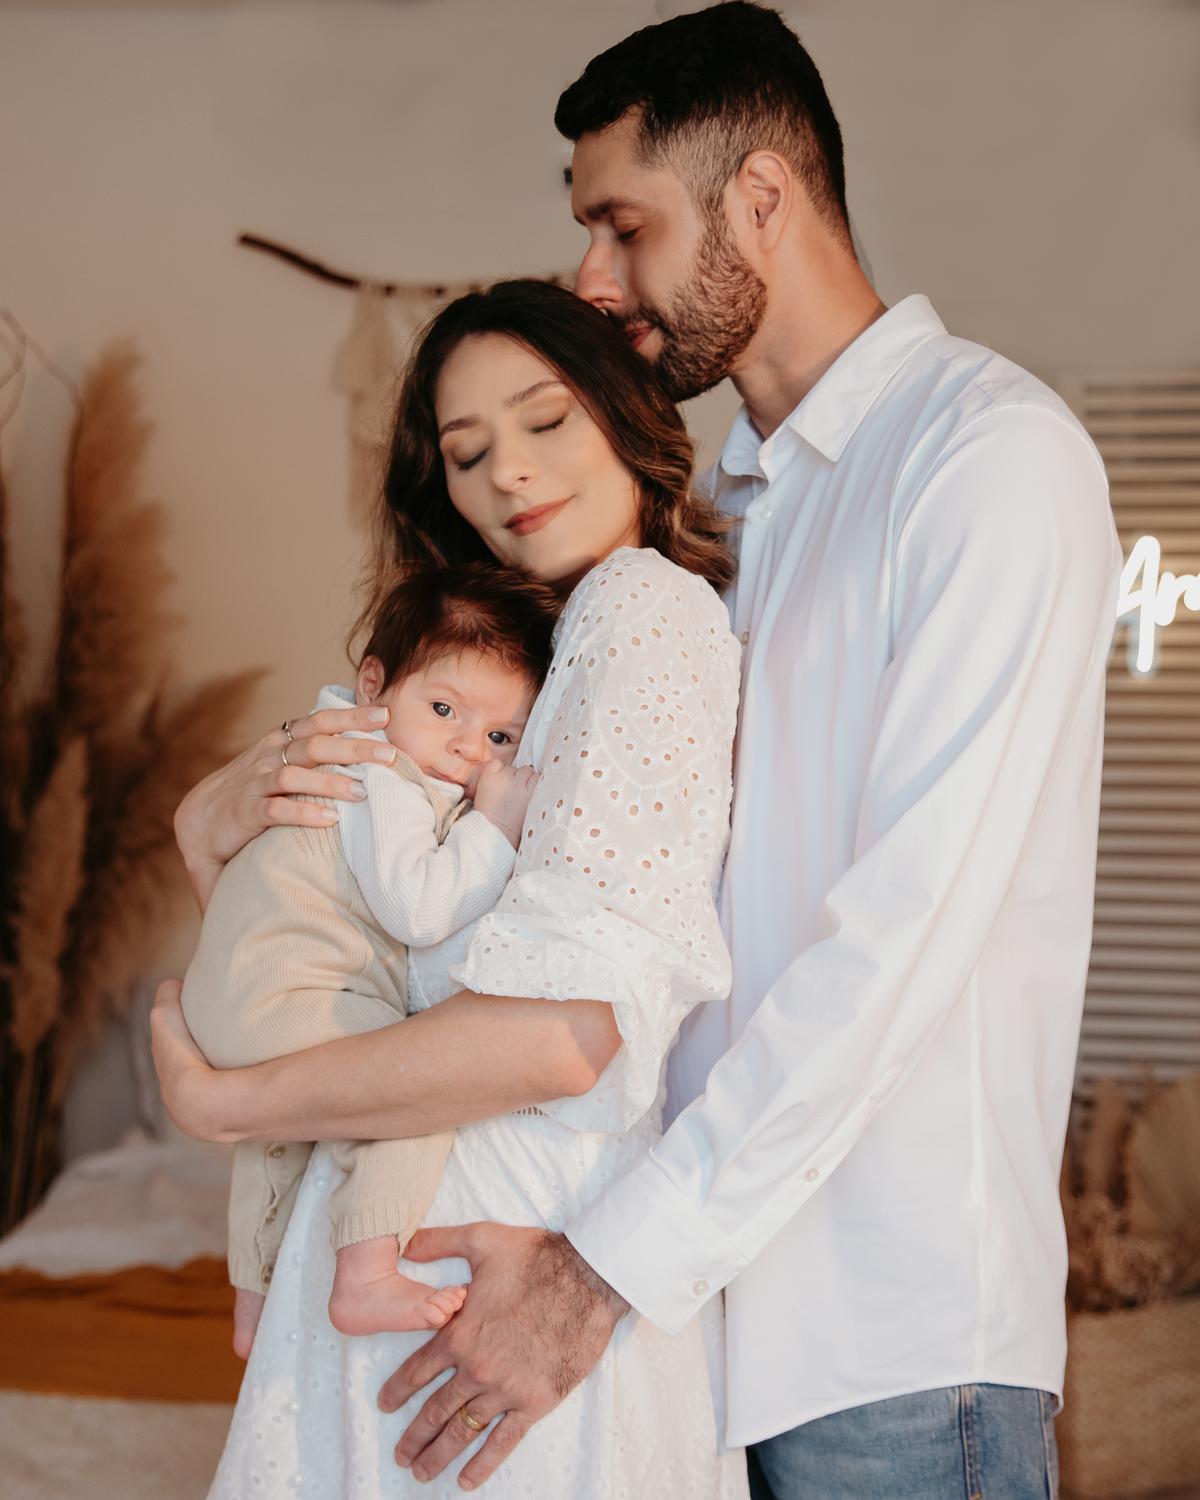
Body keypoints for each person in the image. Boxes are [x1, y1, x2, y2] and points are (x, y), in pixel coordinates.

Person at [151, 7, 1122, 1498]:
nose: (595, 283)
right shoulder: (706, 530)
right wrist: (238, 809)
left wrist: (602, 1269)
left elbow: (896, 949)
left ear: (760, 199)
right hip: (700, 1322)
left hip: (890, 1348)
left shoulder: (984, 461)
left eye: (622, 226)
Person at [158, 279, 748, 1498]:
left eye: (545, 423)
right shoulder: (536, 651)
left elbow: (564, 1036)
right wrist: (208, 818)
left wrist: (237, 1105)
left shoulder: (640, 607)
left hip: (502, 1217)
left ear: (627, 416)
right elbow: (303, 906)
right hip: (441, 1207)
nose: (508, 478)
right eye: (468, 455)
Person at [180, 565, 557, 1351]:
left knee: (275, 1133)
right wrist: (493, 827)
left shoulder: (349, 748)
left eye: (499, 736)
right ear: (373, 685)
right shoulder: (380, 769)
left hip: (239, 992)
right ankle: (366, 1272)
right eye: (444, 708)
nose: (464, 745)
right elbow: (419, 907)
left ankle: (252, 1299)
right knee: (412, 1089)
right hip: (294, 986)